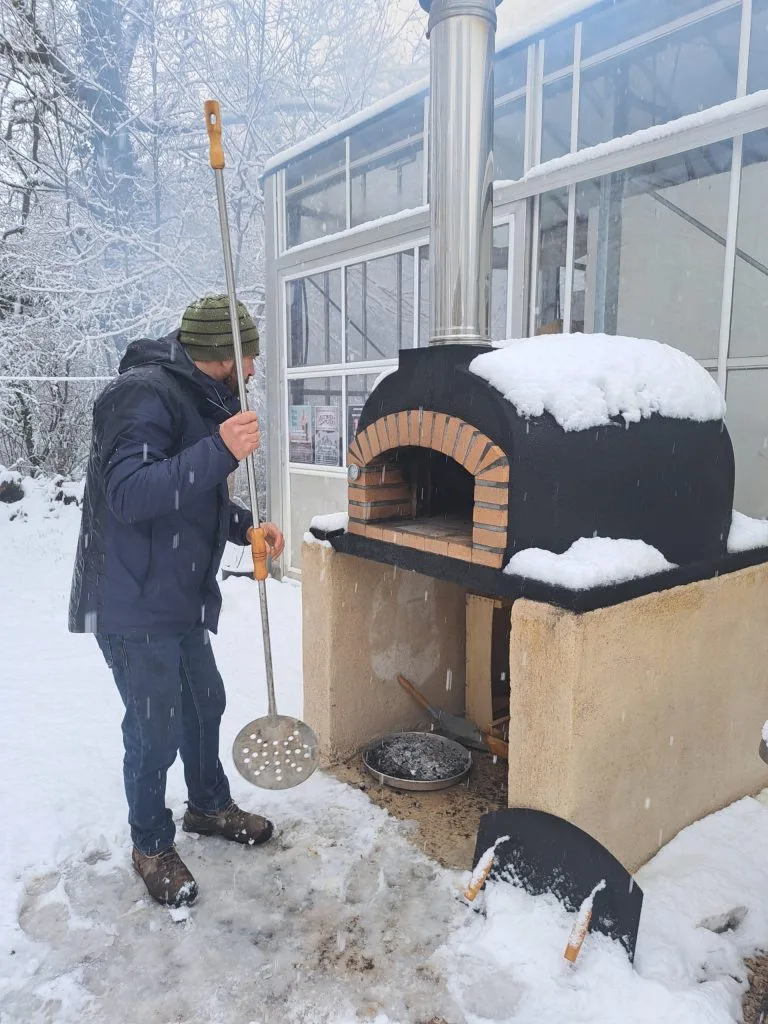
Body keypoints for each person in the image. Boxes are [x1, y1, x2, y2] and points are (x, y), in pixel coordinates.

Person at [69, 295, 285, 908]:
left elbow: (192, 493)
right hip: (132, 598)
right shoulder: (139, 395)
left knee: (204, 703)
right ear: (221, 356)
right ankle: (150, 846)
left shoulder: (195, 395)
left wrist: (242, 524)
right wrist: (220, 447)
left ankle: (209, 808)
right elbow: (132, 494)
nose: (252, 372)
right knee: (154, 727)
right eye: (247, 359)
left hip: (177, 590)